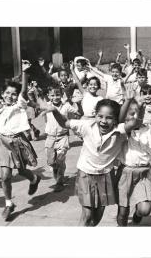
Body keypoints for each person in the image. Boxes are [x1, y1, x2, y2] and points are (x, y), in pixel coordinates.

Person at [40, 96, 139, 226]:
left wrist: (131, 103)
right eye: (100, 116)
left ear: (116, 120)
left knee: (96, 217)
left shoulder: (119, 131)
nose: (103, 121)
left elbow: (134, 122)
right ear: (95, 115)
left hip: (106, 176)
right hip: (85, 174)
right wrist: (54, 111)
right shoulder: (86, 125)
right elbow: (65, 122)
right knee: (86, 215)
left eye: (109, 118)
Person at [0, 60, 41, 221]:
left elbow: (24, 90)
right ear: (2, 94)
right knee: (5, 176)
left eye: (13, 93)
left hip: (18, 141)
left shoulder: (19, 104)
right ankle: (8, 204)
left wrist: (25, 71)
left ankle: (34, 178)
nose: (10, 96)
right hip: (2, 143)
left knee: (21, 171)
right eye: (7, 93)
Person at [116, 88, 151, 226]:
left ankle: (137, 213)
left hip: (144, 173)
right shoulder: (123, 131)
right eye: (131, 113)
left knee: (145, 210)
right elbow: (122, 119)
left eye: (137, 113)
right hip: (126, 173)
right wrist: (131, 103)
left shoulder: (148, 129)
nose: (133, 116)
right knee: (122, 212)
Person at [44, 84, 82, 192]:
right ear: (49, 96)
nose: (55, 97)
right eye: (52, 95)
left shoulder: (66, 106)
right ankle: (58, 171)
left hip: (62, 136)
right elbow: (35, 104)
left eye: (57, 94)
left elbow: (78, 112)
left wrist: (78, 103)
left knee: (60, 159)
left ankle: (59, 181)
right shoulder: (47, 105)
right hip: (50, 137)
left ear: (61, 95)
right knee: (51, 162)